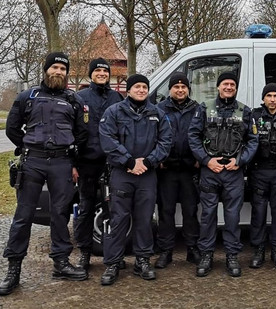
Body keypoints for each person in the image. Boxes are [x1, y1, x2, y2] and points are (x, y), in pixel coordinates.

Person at [0, 52, 89, 296]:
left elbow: (82, 133)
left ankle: (61, 263)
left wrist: (73, 161)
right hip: (33, 162)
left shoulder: (74, 100)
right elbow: (12, 128)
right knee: (23, 215)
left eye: (63, 68)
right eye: (55, 68)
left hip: (62, 162)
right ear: (46, 70)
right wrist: (28, 145)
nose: (58, 72)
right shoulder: (27, 96)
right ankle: (14, 269)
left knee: (60, 214)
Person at [98, 74, 172, 285]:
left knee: (144, 219)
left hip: (147, 174)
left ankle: (142, 260)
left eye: (144, 87)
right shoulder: (114, 112)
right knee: (118, 219)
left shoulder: (157, 114)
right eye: (137, 86)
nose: (141, 90)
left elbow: (166, 141)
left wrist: (148, 162)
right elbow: (107, 139)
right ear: (128, 90)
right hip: (122, 173)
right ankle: (113, 262)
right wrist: (129, 162)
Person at [188, 72, 258, 278]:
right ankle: (206, 255)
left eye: (232, 84)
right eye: (225, 84)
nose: (228, 87)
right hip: (210, 170)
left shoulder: (245, 111)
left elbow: (253, 140)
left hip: (233, 172)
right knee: (208, 215)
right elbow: (193, 135)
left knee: (232, 217)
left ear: (236, 88)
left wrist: (240, 161)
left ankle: (232, 256)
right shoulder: (204, 108)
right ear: (218, 87)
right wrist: (206, 160)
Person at [74, 57, 124, 271]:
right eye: (98, 71)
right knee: (85, 208)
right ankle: (85, 253)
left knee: (114, 209)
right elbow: (73, 131)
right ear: (91, 74)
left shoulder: (117, 97)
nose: (102, 74)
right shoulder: (80, 97)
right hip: (87, 162)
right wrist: (73, 163)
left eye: (105, 71)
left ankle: (114, 254)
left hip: (112, 162)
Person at [154, 72, 201, 269]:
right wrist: (158, 159)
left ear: (188, 89)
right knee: (166, 211)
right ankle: (166, 251)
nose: (180, 90)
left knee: (191, 211)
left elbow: (203, 135)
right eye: (176, 87)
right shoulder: (159, 109)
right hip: (167, 169)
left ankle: (193, 249)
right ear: (170, 89)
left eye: (183, 87)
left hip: (190, 169)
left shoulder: (197, 109)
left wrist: (200, 158)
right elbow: (153, 136)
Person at [248, 83, 276, 270]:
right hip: (258, 170)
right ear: (263, 98)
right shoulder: (254, 116)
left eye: (275, 95)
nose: (272, 99)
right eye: (269, 96)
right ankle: (258, 250)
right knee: (258, 212)